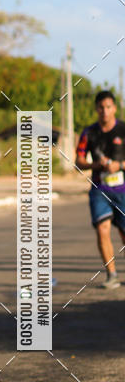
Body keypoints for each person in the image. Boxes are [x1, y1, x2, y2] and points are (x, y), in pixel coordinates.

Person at [75, 89, 125, 288]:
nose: (104, 111)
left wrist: (119, 166)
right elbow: (78, 161)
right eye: (101, 108)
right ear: (96, 109)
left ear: (114, 108)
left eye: (108, 107)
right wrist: (96, 165)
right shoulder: (89, 133)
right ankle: (111, 274)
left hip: (122, 189)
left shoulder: (123, 130)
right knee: (102, 229)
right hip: (99, 190)